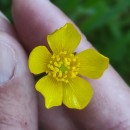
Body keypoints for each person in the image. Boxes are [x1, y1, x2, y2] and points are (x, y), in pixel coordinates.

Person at [0, 0, 130, 130]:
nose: (63, 67)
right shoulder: (41, 56)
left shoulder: (64, 90)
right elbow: (36, 59)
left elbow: (58, 98)